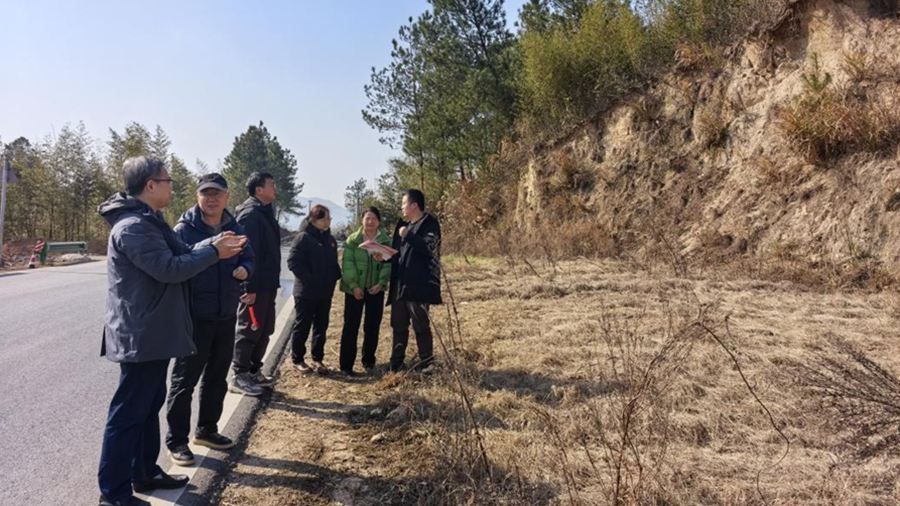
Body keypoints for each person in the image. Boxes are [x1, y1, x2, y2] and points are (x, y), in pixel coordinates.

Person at [97, 156, 246, 506]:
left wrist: (214, 244)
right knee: (128, 413)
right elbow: (169, 269)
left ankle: (144, 471)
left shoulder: (151, 221)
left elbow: (183, 251)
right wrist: (214, 253)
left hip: (154, 332)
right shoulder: (133, 227)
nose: (171, 188)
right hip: (141, 334)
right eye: (168, 181)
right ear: (151, 185)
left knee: (148, 405)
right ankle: (113, 494)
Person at [164, 173, 255, 467]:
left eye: (217, 193)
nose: (211, 199)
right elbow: (175, 264)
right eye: (206, 193)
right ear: (197, 196)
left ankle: (206, 430)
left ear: (227, 196)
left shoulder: (236, 228)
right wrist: (212, 248)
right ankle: (176, 441)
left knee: (217, 376)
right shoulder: (183, 230)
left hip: (226, 312)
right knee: (184, 381)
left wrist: (246, 270)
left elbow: (249, 258)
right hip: (193, 316)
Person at [231, 172, 281, 396]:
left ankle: (253, 370)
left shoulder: (265, 211)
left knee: (265, 328)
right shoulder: (250, 214)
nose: (275, 189)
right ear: (259, 189)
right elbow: (245, 253)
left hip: (267, 283)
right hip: (255, 285)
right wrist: (248, 287)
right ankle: (239, 374)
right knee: (249, 329)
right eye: (271, 185)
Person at [386, 189, 442, 373]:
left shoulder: (429, 224)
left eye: (404, 203)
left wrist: (408, 235)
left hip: (419, 285)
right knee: (398, 326)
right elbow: (398, 254)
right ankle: (396, 364)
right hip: (400, 284)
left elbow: (429, 248)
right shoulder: (403, 225)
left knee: (421, 326)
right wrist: (384, 257)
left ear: (414, 205)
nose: (402, 207)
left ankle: (427, 364)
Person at [287, 204, 342, 374]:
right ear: (312, 219)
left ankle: (318, 359)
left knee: (321, 326)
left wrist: (336, 275)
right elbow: (293, 262)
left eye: (328, 218)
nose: (326, 222)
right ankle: (298, 359)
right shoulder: (303, 238)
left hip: (325, 291)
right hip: (306, 292)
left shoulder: (330, 240)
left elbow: (333, 263)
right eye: (322, 218)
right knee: (302, 326)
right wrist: (309, 280)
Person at [338, 207, 391, 375]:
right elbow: (348, 264)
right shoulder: (353, 240)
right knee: (351, 326)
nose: (370, 221)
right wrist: (354, 285)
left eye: (374, 218)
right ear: (362, 220)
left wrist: (381, 283)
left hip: (375, 289)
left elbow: (388, 264)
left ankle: (368, 362)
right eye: (367, 218)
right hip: (354, 290)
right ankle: (346, 366)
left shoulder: (385, 241)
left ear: (379, 221)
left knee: (372, 326)